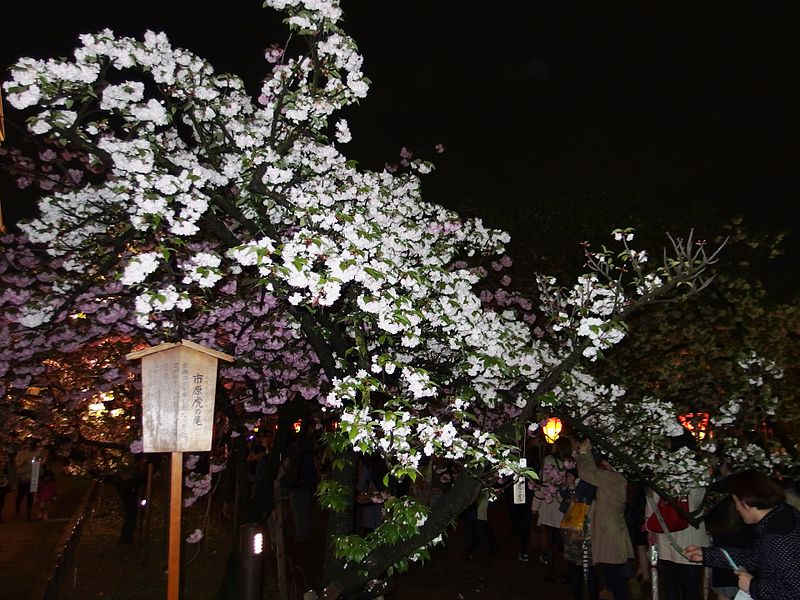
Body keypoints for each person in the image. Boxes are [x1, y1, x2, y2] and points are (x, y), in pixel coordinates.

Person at [685, 469, 800, 600]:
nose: (737, 508)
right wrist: (707, 554)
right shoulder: (781, 515)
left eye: (736, 502)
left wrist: (752, 586)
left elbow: (794, 592)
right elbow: (753, 557)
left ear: (745, 503)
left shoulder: (778, 537)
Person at [575, 438, 633, 600]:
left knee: (616, 584)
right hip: (611, 535)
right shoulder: (614, 477)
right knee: (614, 581)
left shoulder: (612, 478)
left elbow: (586, 472)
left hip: (611, 538)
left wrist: (584, 453)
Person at [531, 436, 574, 582]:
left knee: (550, 542)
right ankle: (567, 572)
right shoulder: (573, 463)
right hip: (563, 508)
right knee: (563, 542)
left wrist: (535, 506)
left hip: (549, 505)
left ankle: (552, 572)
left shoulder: (549, 460)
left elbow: (543, 483)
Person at [15, 438, 47, 520]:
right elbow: (17, 464)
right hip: (23, 478)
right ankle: (17, 510)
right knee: (20, 495)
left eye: (31, 444)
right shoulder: (21, 454)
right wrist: (22, 463)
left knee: (30, 496)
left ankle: (28, 512)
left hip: (32, 478)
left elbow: (41, 464)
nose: (29, 446)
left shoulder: (37, 454)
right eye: (28, 444)